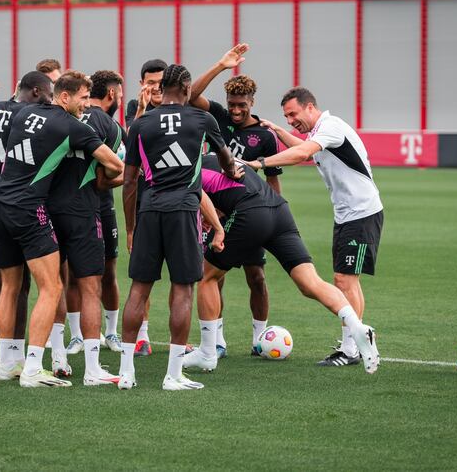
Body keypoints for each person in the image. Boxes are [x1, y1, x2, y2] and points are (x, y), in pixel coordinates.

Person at [183, 155, 380, 374]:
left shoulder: (188, 168)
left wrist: (215, 225)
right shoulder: (221, 157)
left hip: (249, 215)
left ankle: (208, 353)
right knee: (310, 283)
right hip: (279, 211)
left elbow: (202, 198)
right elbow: (226, 191)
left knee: (208, 277)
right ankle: (357, 327)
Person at [0, 70, 123, 387]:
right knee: (54, 287)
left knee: (10, 286)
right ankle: (40, 367)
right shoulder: (71, 125)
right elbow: (116, 165)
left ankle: (8, 363)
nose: (86, 105)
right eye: (82, 98)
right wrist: (101, 179)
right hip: (30, 207)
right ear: (64, 96)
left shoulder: (23, 113)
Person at [243, 87, 384, 368]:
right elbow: (305, 150)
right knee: (343, 279)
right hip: (347, 214)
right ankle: (353, 343)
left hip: (361, 212)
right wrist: (278, 131)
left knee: (345, 280)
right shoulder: (321, 132)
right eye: (286, 116)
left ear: (310, 107)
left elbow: (301, 154)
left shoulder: (331, 127)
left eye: (293, 114)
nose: (290, 120)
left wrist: (259, 162)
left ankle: (352, 348)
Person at [119, 64, 238, 391]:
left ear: (164, 88)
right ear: (186, 89)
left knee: (139, 289)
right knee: (183, 289)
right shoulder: (202, 120)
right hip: (184, 210)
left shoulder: (141, 123)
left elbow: (129, 181)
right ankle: (172, 375)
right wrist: (233, 171)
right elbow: (226, 160)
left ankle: (126, 373)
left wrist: (131, 226)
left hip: (149, 210)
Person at [188, 43, 283, 356]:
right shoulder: (217, 116)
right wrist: (220, 66)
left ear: (252, 102)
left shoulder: (265, 136)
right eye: (232, 103)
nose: (236, 109)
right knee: (214, 276)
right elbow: (190, 95)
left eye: (242, 104)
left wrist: (273, 224)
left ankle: (260, 339)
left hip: (251, 215)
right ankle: (217, 340)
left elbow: (272, 182)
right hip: (213, 212)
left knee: (256, 276)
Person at [0, 70, 53, 379]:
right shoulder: (29, 115)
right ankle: (13, 354)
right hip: (14, 201)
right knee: (19, 283)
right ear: (36, 93)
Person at [46, 70, 125, 385]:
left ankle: (56, 357)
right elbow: (111, 173)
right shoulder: (107, 126)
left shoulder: (41, 120)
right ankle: (93, 369)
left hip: (46, 211)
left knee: (53, 286)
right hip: (84, 210)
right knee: (91, 286)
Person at [123, 58, 168, 357]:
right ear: (142, 84)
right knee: (143, 273)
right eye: (150, 82)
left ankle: (204, 340)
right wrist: (140, 110)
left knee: (187, 273)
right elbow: (129, 151)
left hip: (176, 197)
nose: (155, 88)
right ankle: (142, 336)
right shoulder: (133, 109)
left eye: (159, 82)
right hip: (143, 200)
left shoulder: (179, 108)